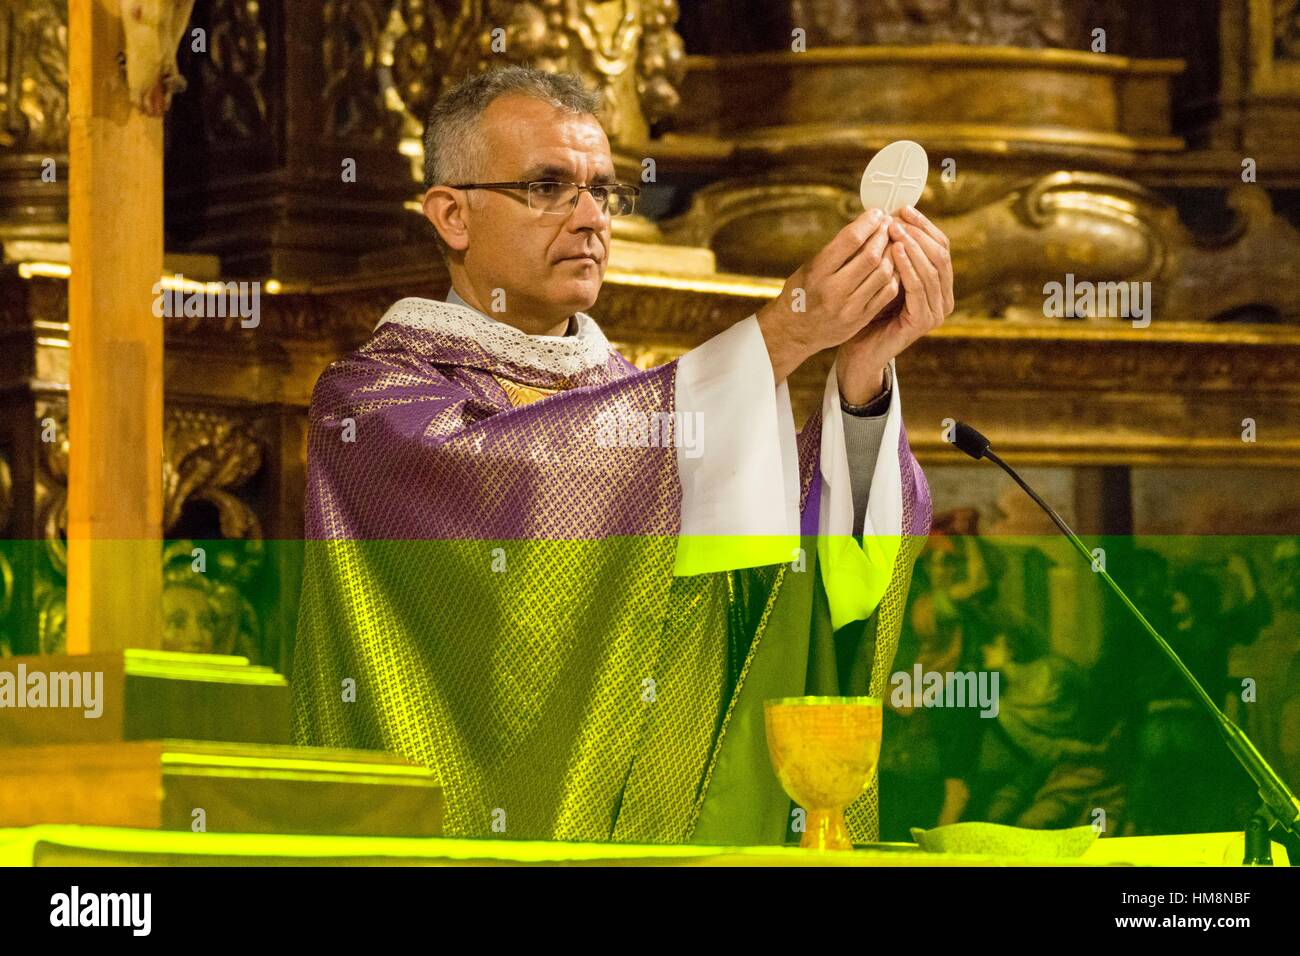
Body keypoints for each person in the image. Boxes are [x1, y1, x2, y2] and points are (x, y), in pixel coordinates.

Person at [291, 66, 949, 844]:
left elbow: (781, 600)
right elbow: (518, 502)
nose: (590, 218)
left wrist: (860, 382)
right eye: (547, 186)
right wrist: (782, 337)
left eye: (603, 190)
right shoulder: (374, 400)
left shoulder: (650, 402)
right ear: (451, 214)